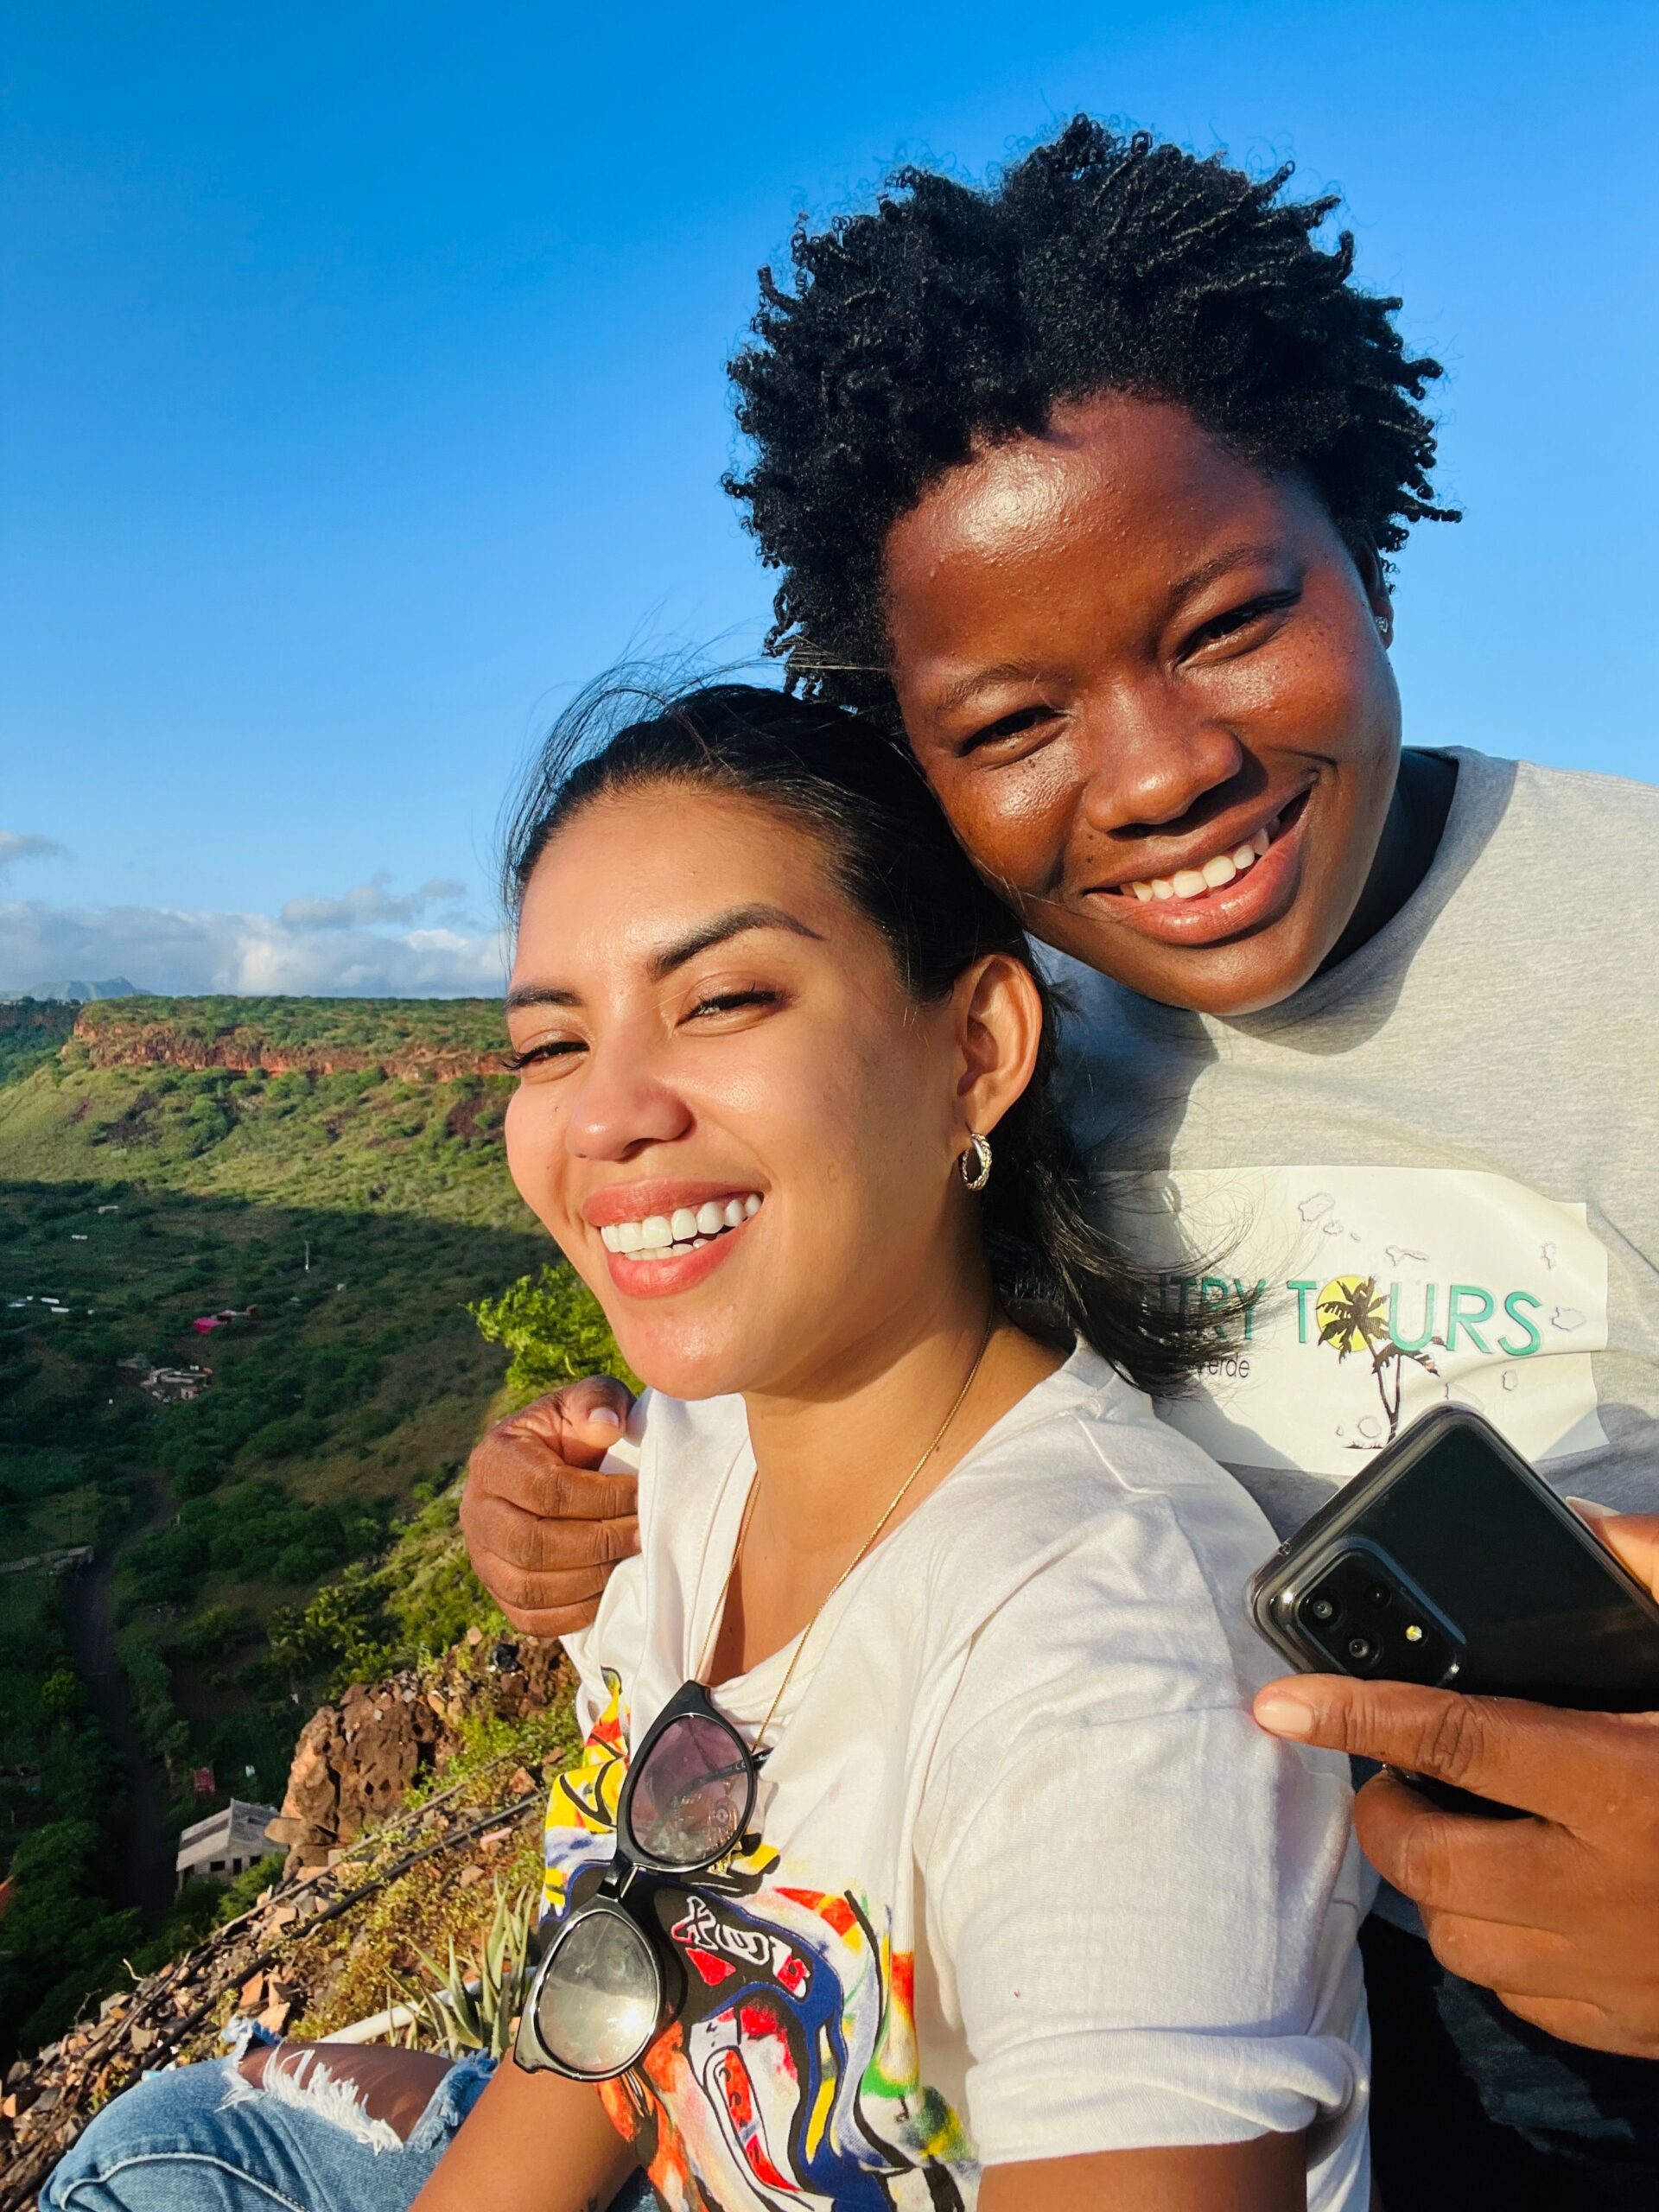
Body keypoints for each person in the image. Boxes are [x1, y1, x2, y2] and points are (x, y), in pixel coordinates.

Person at [459, 119, 1659, 2208]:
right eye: (1012, 718)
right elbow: (841, 1363)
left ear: (1365, 545)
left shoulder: (1625, 936)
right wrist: (589, 1473)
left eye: (1225, 622)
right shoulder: (973, 1031)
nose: (1161, 770)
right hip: (1139, 1970)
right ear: (915, 748)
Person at [46, 683, 1369, 2211]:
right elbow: (609, 2020)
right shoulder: (676, 1484)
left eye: (726, 999)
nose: (604, 1116)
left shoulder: (1107, 1645)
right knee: (165, 2147)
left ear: (980, 1047)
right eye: (551, 1043)